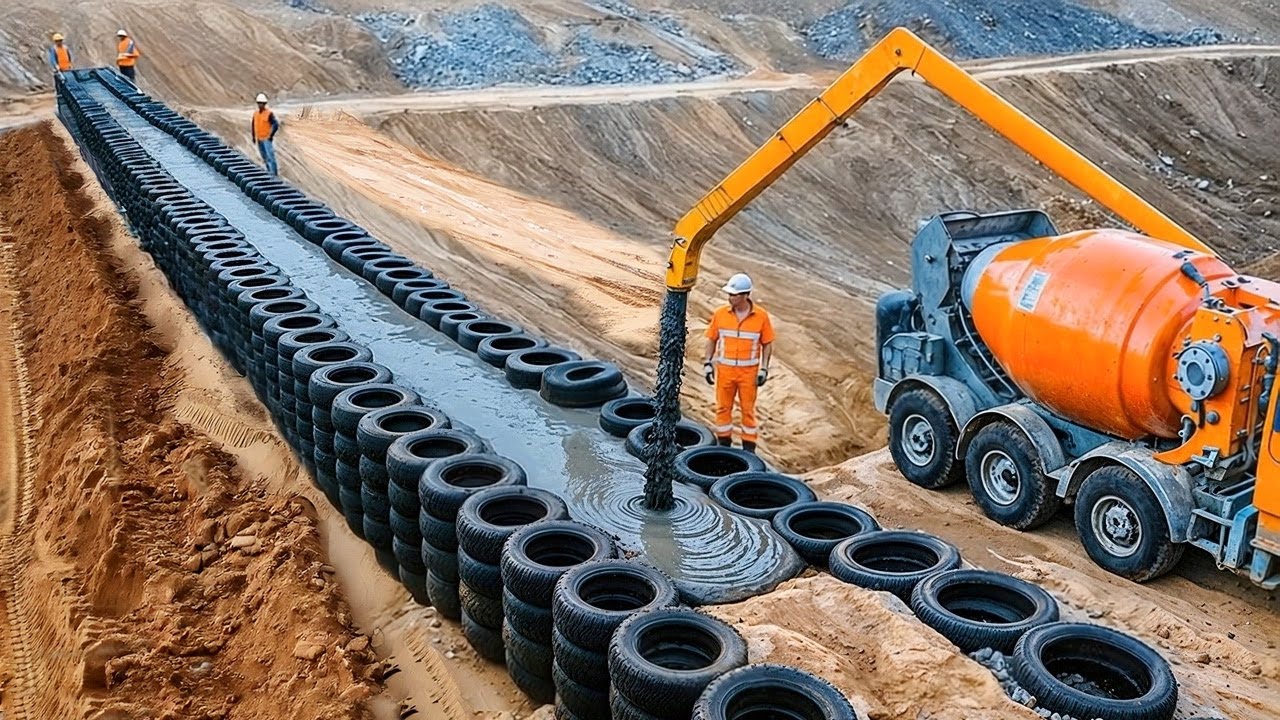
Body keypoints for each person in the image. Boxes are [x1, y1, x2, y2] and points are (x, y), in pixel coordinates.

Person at [703, 272, 774, 453]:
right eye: (729, 294)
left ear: (745, 295)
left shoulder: (761, 317)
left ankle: (748, 449)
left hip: (748, 373)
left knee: (748, 411)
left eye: (734, 295)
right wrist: (707, 363)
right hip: (725, 371)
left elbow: (767, 344)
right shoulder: (721, 314)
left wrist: (763, 369)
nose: (730, 298)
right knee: (722, 408)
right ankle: (723, 445)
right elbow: (712, 339)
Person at [252, 93, 280, 175]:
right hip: (259, 139)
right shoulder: (256, 114)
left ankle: (274, 175)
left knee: (270, 158)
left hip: (266, 139)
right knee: (264, 158)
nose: (260, 105)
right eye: (259, 103)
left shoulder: (269, 113)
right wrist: (254, 136)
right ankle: (269, 173)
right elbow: (253, 125)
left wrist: (270, 136)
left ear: (264, 104)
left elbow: (275, 124)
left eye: (262, 103)